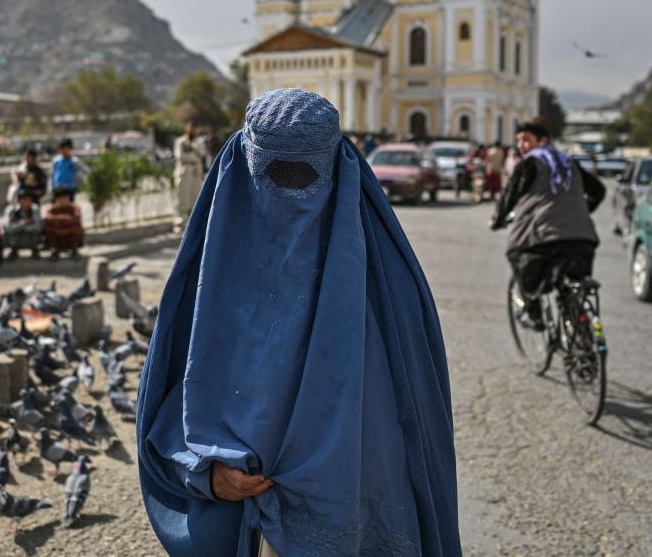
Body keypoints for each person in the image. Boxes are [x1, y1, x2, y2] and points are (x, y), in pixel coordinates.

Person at [137, 88, 459, 557]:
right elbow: (171, 397)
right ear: (243, 169)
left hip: (357, 522)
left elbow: (419, 429)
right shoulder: (212, 278)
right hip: (244, 519)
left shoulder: (387, 287)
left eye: (305, 175)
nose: (291, 198)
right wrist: (203, 472)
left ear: (338, 168)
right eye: (275, 175)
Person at [490, 118, 605, 329]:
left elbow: (509, 196)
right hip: (583, 238)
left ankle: (533, 313)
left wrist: (497, 220)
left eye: (527, 139)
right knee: (572, 286)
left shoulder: (529, 164)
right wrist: (581, 210)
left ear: (543, 140)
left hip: (543, 240)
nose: (522, 145)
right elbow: (599, 191)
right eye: (519, 140)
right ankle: (579, 338)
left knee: (516, 254)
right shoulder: (570, 162)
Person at [173, 122, 206, 232]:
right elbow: (180, 156)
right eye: (191, 128)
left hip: (196, 172)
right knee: (183, 197)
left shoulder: (200, 141)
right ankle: (180, 222)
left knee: (195, 198)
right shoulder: (180, 141)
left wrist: (191, 148)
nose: (192, 130)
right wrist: (192, 153)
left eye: (195, 128)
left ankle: (192, 224)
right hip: (184, 171)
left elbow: (201, 153)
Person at [43, 187, 84, 260]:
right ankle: (54, 250)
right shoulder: (52, 208)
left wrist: (59, 220)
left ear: (68, 197)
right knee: (47, 227)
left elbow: (76, 217)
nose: (62, 200)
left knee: (77, 228)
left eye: (64, 197)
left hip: (70, 234)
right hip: (57, 234)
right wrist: (64, 218)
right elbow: (47, 217)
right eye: (60, 197)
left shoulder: (74, 207)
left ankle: (74, 251)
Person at [3, 189, 44, 260]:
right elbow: (8, 228)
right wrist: (24, 223)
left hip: (30, 236)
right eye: (24, 200)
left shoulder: (35, 209)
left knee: (34, 232)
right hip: (15, 238)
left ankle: (34, 249)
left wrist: (20, 227)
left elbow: (38, 227)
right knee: (11, 232)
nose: (27, 202)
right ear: (19, 201)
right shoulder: (11, 210)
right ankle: (14, 250)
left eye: (29, 200)